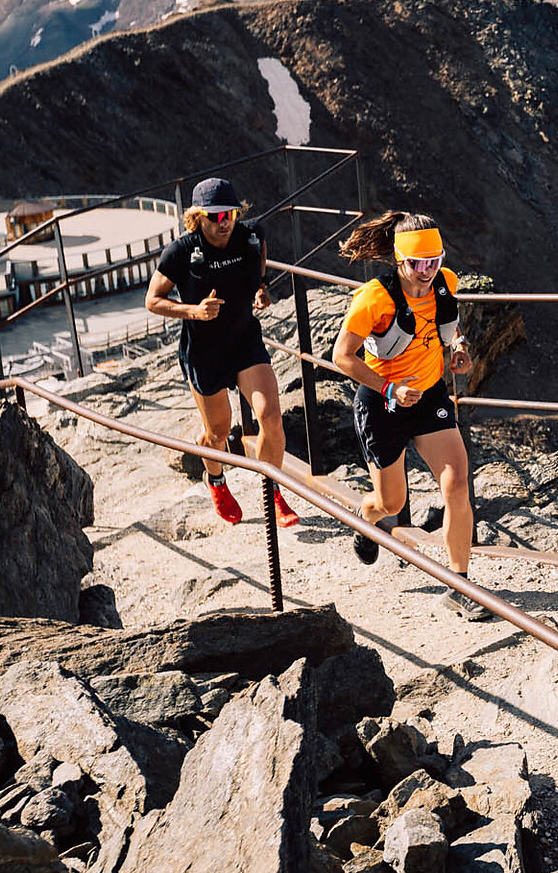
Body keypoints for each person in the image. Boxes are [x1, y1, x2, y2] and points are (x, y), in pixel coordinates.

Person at [331, 210, 486, 621]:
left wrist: (458, 350)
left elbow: (447, 329)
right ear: (399, 259)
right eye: (418, 264)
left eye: (434, 261)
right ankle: (365, 516)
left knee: (455, 484)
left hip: (430, 394)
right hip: (383, 403)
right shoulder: (373, 298)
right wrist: (390, 388)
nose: (427, 271)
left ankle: (460, 585)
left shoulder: (445, 284)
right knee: (391, 502)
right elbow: (341, 356)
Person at [146, 177, 299, 527]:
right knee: (217, 432)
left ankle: (271, 490)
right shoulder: (181, 251)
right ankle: (216, 480)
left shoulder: (250, 235)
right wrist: (194, 311)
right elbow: (152, 300)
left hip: (244, 340)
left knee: (271, 418)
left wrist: (261, 287)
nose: (223, 223)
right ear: (197, 217)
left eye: (229, 214)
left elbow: (260, 253)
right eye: (214, 216)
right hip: (204, 351)